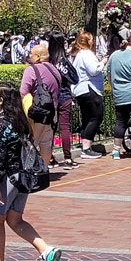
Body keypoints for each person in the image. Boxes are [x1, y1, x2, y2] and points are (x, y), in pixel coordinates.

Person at [0, 82, 63, 261]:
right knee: (15, 219)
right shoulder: (20, 121)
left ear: (0, 100)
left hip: (6, 179)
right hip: (22, 178)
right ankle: (45, 250)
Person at [19, 45, 62, 167]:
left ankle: (28, 171)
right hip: (50, 115)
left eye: (31, 54)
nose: (29, 56)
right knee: (46, 145)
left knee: (30, 144)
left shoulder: (31, 70)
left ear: (38, 57)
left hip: (36, 115)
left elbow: (23, 92)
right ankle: (44, 171)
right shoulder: (55, 70)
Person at [46, 32, 80, 169]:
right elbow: (75, 78)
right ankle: (67, 158)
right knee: (65, 127)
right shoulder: (63, 61)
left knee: (50, 129)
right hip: (64, 96)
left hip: (49, 98)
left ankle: (49, 157)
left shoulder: (47, 61)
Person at [70, 32, 105, 159]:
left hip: (81, 90)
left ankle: (85, 144)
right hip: (89, 89)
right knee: (96, 117)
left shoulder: (77, 54)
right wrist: (102, 62)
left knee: (87, 118)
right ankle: (86, 148)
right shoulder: (86, 54)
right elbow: (94, 70)